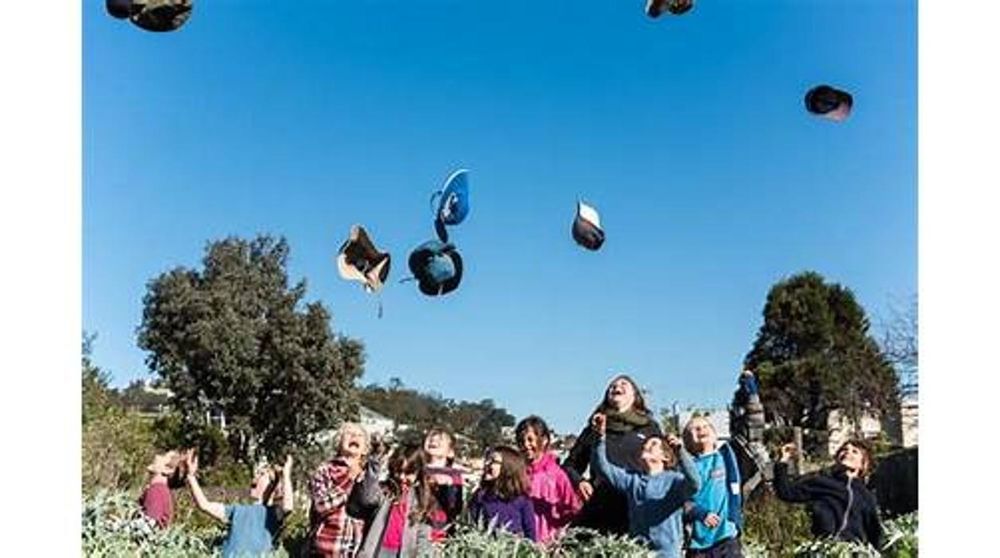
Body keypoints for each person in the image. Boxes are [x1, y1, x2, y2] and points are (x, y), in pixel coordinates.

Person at [563, 374, 663, 535]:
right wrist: (579, 482)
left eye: (624, 384)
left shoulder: (649, 428)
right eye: (612, 386)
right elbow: (569, 466)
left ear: (635, 396)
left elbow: (666, 466)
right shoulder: (594, 428)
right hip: (601, 508)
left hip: (637, 507)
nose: (616, 387)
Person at [590, 413, 700, 558]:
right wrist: (600, 438)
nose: (647, 445)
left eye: (653, 444)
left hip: (668, 554)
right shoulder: (632, 480)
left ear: (665, 456)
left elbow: (695, 483)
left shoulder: (674, 481)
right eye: (645, 444)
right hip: (638, 552)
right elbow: (604, 468)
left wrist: (680, 452)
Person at [773, 440, 883, 547]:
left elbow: (874, 532)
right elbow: (786, 492)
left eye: (855, 451)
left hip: (853, 551)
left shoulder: (865, 496)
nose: (847, 452)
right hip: (825, 548)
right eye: (844, 450)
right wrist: (783, 461)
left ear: (864, 464)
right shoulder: (822, 482)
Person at [184, 451, 294, 557]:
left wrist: (286, 474)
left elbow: (288, 507)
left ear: (271, 486)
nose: (255, 477)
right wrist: (191, 476)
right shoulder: (236, 510)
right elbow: (204, 505)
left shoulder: (271, 513)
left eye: (262, 474)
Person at [354, 443, 449, 558]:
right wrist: (374, 465)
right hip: (376, 551)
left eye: (408, 473)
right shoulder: (385, 491)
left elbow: (423, 536)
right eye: (398, 471)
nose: (402, 477)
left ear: (418, 473)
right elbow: (367, 498)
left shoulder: (422, 499)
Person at [682, 417, 744, 558]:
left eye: (706, 426)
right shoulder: (687, 467)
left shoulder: (726, 457)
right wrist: (699, 513)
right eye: (695, 428)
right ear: (687, 440)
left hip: (726, 537)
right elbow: (680, 501)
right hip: (698, 543)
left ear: (715, 436)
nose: (701, 429)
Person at [309, 422, 371, 557]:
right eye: (349, 433)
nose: (354, 436)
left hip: (356, 550)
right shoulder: (325, 470)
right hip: (327, 548)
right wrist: (349, 480)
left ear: (365, 449)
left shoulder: (369, 476)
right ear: (338, 443)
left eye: (359, 435)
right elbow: (320, 505)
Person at [515, 415, 581, 543]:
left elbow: (572, 508)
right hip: (521, 543)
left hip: (548, 543)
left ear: (544, 440)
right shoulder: (517, 473)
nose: (526, 445)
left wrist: (559, 535)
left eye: (530, 440)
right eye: (521, 441)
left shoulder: (556, 475)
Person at [467, 445, 538, 541]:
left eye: (493, 461)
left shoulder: (522, 500)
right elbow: (470, 525)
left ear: (508, 468)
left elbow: (530, 534)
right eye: (487, 460)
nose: (487, 463)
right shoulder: (481, 495)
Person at [422, 428, 464, 530]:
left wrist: (448, 486)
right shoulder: (418, 469)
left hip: (439, 527)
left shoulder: (453, 475)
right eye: (430, 438)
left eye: (440, 440)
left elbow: (455, 506)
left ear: (450, 452)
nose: (434, 440)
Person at [139, 450, 185, 528]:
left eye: (164, 456)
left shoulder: (157, 491)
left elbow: (148, 525)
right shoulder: (160, 490)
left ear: (167, 470)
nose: (157, 456)